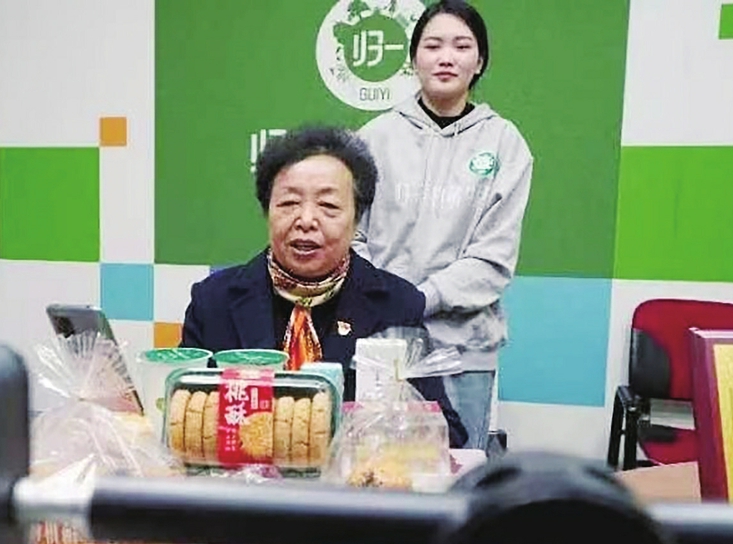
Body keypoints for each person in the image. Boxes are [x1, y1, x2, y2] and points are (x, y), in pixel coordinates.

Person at [180, 126, 468, 448]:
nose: (306, 220)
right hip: (242, 477)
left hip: (353, 479)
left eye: (329, 206)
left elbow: (448, 435)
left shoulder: (396, 305)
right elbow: (183, 420)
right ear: (267, 210)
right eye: (289, 203)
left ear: (356, 219)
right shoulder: (214, 301)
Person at [354, 0, 533, 455]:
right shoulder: (374, 138)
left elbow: (493, 258)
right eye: (432, 46)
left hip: (464, 349)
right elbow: (351, 237)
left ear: (480, 62)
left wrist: (422, 298)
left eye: (461, 46)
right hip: (381, 341)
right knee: (375, 469)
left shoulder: (504, 143)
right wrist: (387, 297)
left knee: (456, 469)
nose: (446, 57)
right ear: (413, 59)